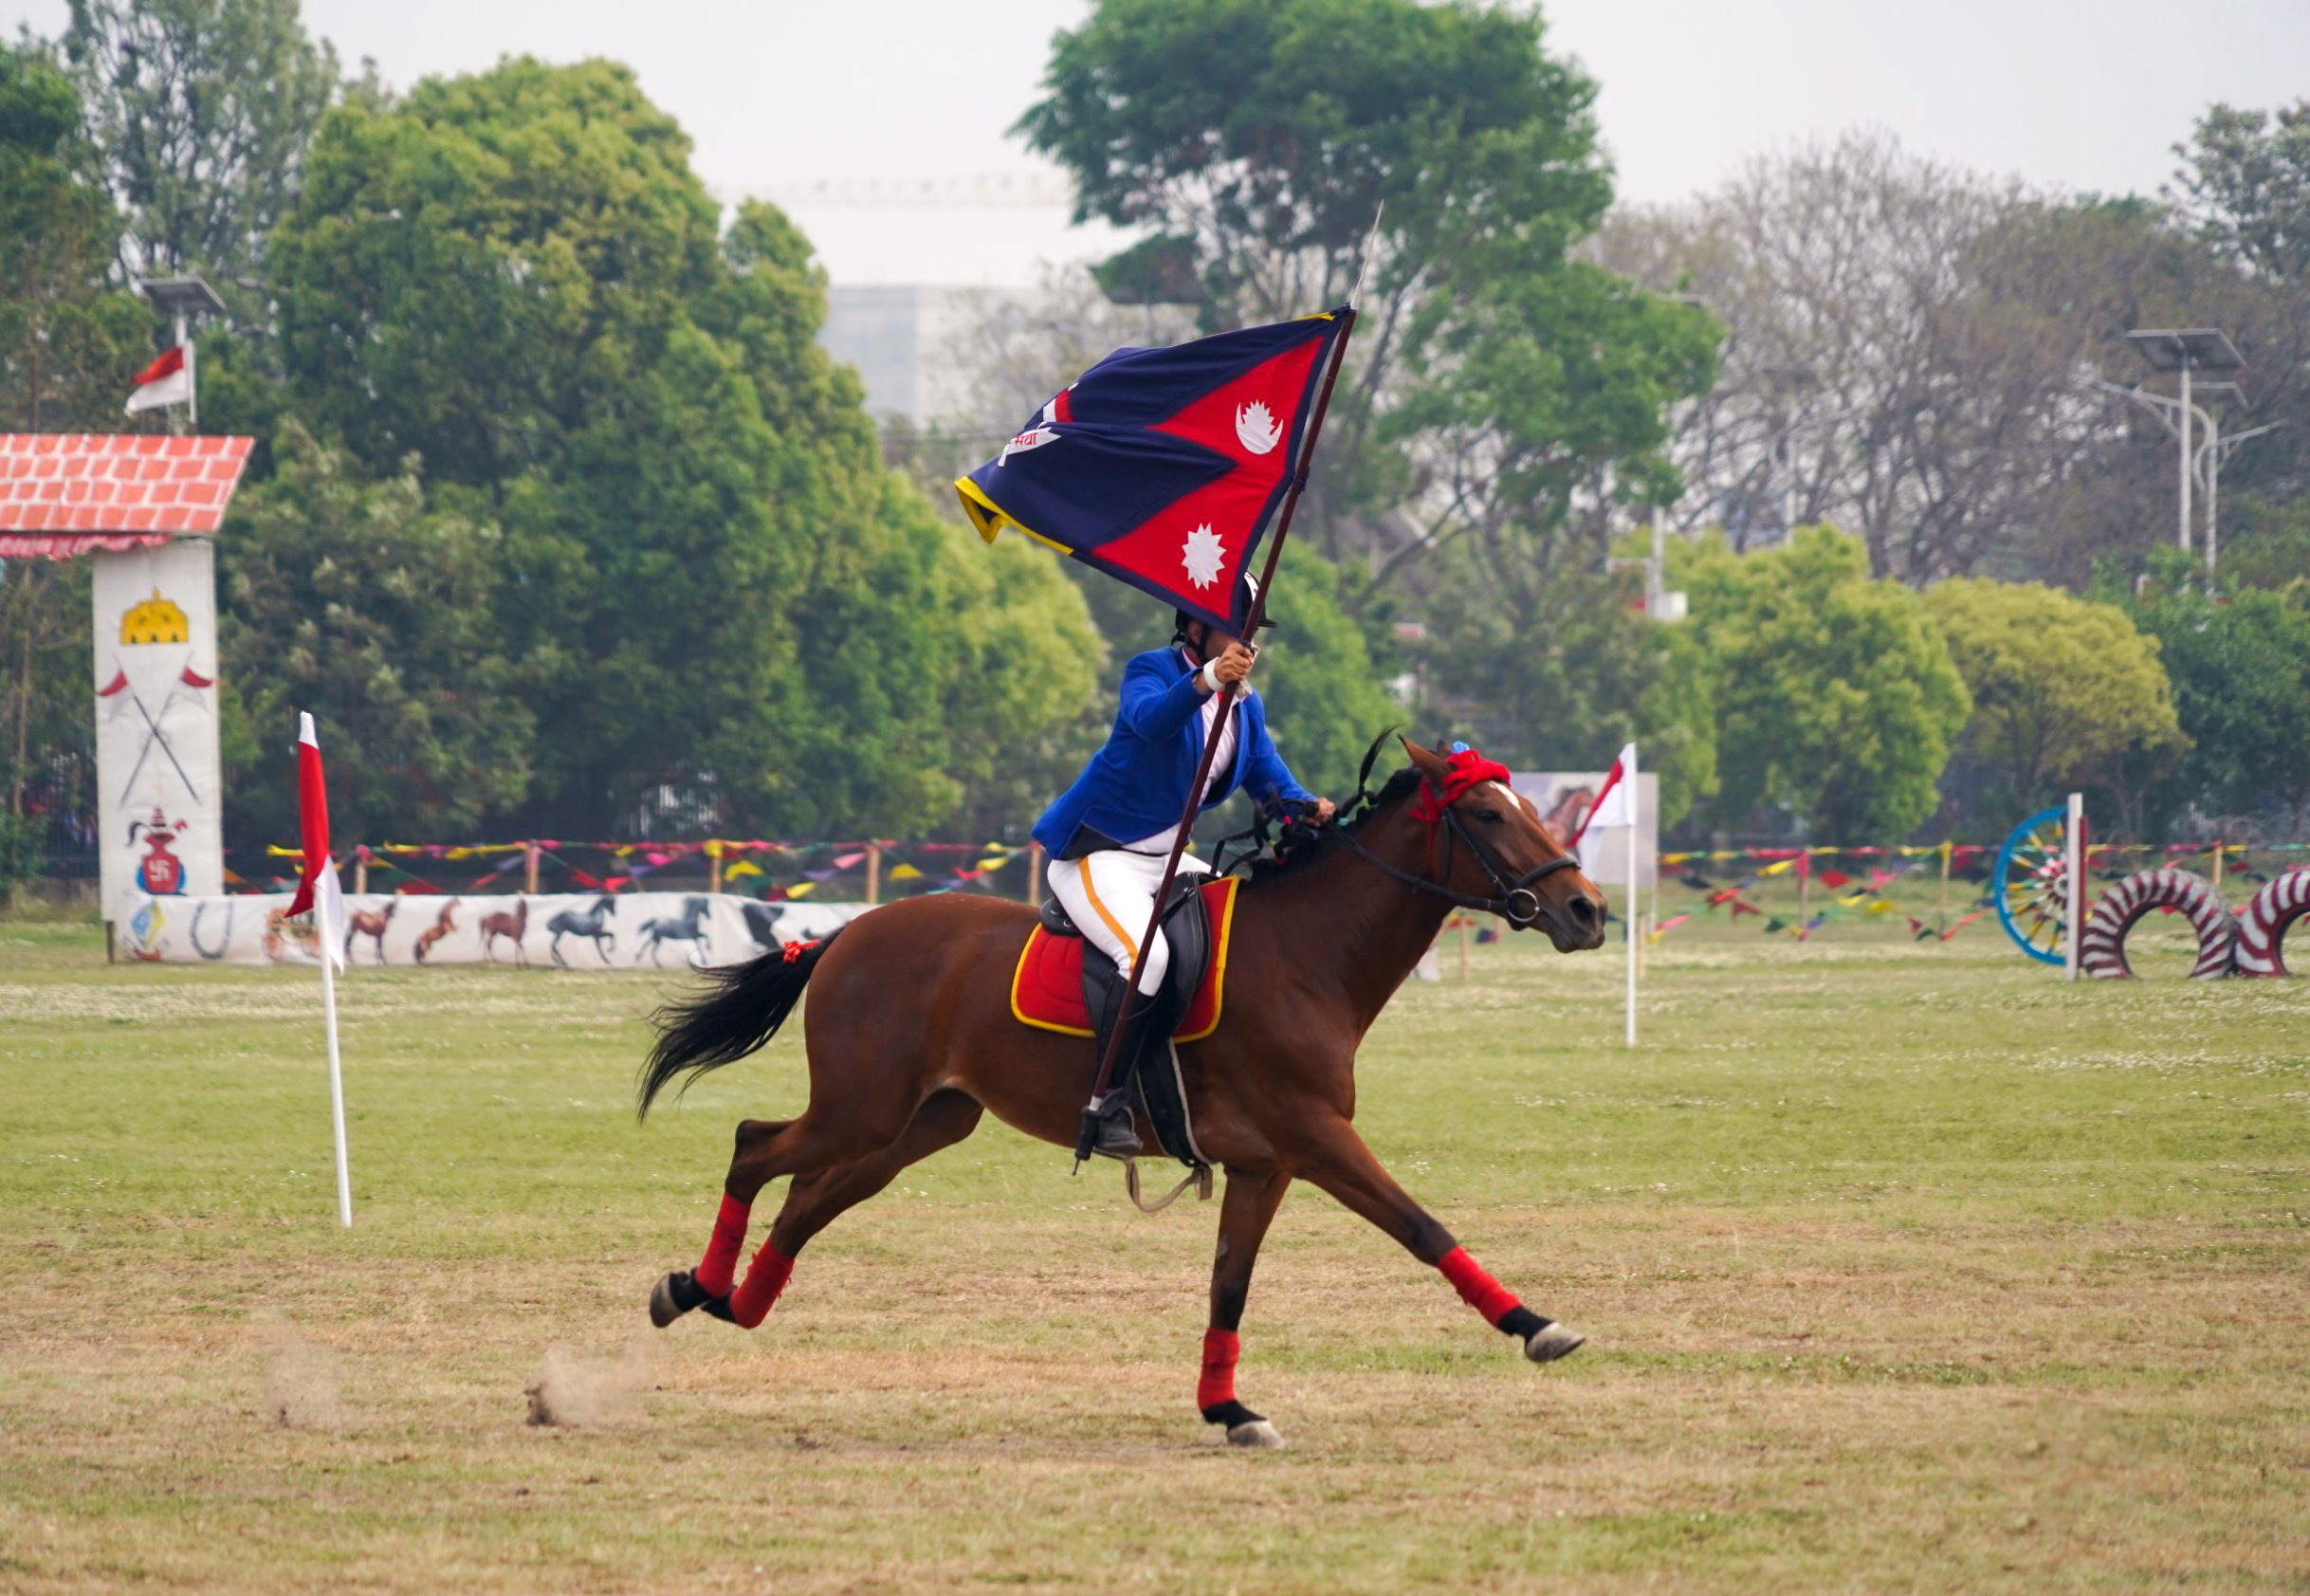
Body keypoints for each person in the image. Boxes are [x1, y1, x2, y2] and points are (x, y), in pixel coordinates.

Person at [1032, 576, 1335, 1157]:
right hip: (1098, 855)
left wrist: (1311, 808)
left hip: (1166, 860)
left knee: (1236, 940)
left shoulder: (1247, 707)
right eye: (1235, 631)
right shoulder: (1149, 670)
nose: (1247, 645)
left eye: (1252, 636)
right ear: (1195, 628)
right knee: (1146, 957)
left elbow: (1272, 782)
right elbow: (1151, 722)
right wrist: (1205, 680)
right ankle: (1106, 1101)